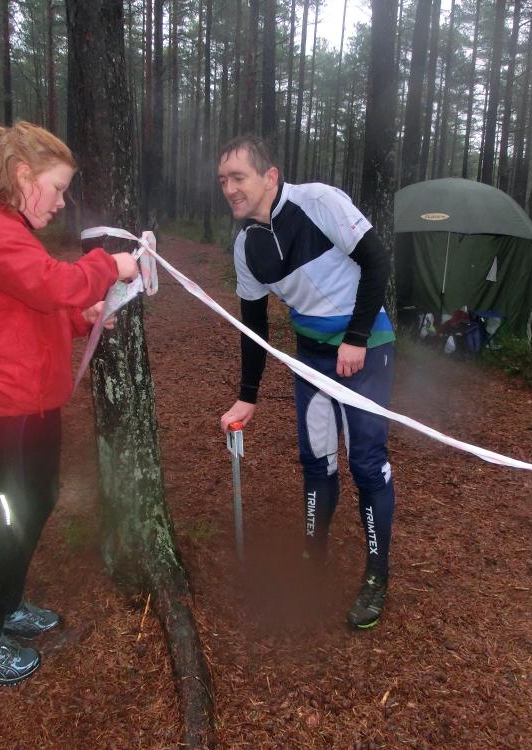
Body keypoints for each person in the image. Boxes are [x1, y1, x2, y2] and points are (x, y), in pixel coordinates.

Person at [0, 121, 139, 686]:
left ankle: (8, 606)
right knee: (17, 518)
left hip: (30, 405)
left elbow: (36, 305)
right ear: (22, 175)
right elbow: (53, 284)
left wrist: (83, 318)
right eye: (56, 189)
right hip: (7, 409)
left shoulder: (10, 231)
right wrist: (109, 266)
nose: (60, 203)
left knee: (38, 501)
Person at [216, 135, 397, 630]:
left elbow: (377, 260)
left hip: (366, 348)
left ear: (269, 176)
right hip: (312, 357)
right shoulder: (247, 246)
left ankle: (376, 574)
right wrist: (247, 396)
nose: (229, 189)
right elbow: (255, 327)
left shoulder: (319, 201)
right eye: (223, 180)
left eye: (239, 177)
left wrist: (356, 338)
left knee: (366, 463)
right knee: (316, 460)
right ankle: (313, 555)